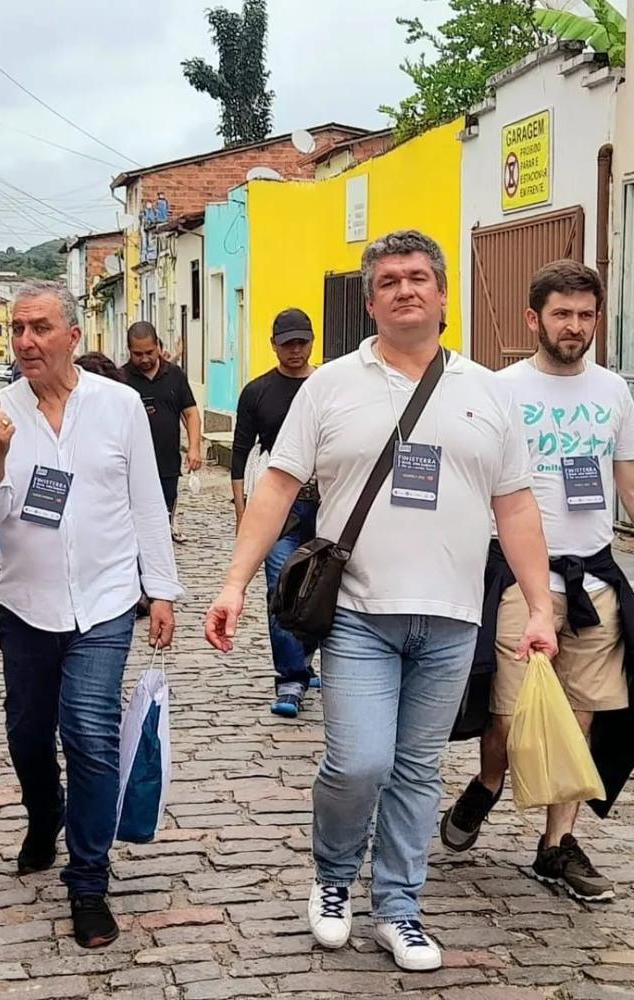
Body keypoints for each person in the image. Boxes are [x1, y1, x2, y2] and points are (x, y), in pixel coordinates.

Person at [204, 230, 557, 973]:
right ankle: (334, 878)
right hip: (360, 613)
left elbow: (517, 506)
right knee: (359, 763)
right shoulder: (330, 386)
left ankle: (399, 905)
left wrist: (541, 606)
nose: (406, 289)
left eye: (419, 276)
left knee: (418, 770)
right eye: (389, 279)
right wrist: (235, 580)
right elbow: (277, 486)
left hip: (454, 616)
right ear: (370, 301)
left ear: (442, 293)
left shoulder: (486, 392)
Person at [0, 280, 182, 950]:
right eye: (17, 330)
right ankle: (43, 813)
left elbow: (147, 500)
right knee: (28, 735)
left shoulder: (119, 406)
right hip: (26, 604)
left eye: (39, 328)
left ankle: (88, 879)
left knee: (88, 733)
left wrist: (162, 588)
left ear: (72, 337)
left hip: (106, 602)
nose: (26, 342)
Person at [441, 260, 634, 902]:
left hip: (595, 575)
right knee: (513, 716)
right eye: (562, 315)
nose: (574, 327)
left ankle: (556, 846)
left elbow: (625, 480)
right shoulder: (500, 391)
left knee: (580, 717)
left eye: (585, 316)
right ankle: (489, 783)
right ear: (534, 319)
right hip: (525, 579)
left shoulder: (613, 391)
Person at [232, 308, 320, 718]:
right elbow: (239, 452)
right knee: (280, 589)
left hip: (327, 506)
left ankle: (304, 658)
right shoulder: (257, 392)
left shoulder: (326, 388)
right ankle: (290, 677)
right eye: (288, 343)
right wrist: (242, 511)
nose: (296, 350)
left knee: (322, 588)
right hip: (278, 507)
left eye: (302, 342)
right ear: (274, 345)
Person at [123, 321, 202, 543]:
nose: (145, 359)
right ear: (129, 350)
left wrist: (194, 447)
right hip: (132, 464)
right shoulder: (121, 379)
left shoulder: (175, 375)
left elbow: (191, 413)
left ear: (158, 345)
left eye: (149, 352)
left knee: (165, 513)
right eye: (138, 354)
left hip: (167, 462)